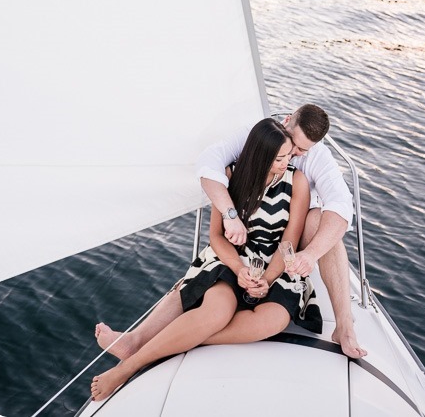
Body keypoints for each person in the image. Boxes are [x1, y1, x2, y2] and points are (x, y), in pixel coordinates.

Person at [95, 104, 367, 360]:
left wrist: (310, 254)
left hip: (288, 244)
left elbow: (341, 206)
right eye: (293, 145)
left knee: (323, 221)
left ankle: (344, 324)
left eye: (304, 150)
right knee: (206, 281)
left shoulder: (309, 163)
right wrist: (231, 216)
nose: (295, 155)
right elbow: (208, 164)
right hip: (245, 239)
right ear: (286, 124)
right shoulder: (259, 141)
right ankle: (138, 340)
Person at [91, 119, 322, 401]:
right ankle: (128, 368)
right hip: (232, 259)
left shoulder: (296, 181)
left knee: (272, 321)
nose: (288, 161)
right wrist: (239, 270)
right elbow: (216, 236)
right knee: (216, 313)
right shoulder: (231, 176)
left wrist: (267, 280)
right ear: (261, 156)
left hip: (275, 263)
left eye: (289, 155)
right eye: (280, 157)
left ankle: (166, 340)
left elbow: (289, 240)